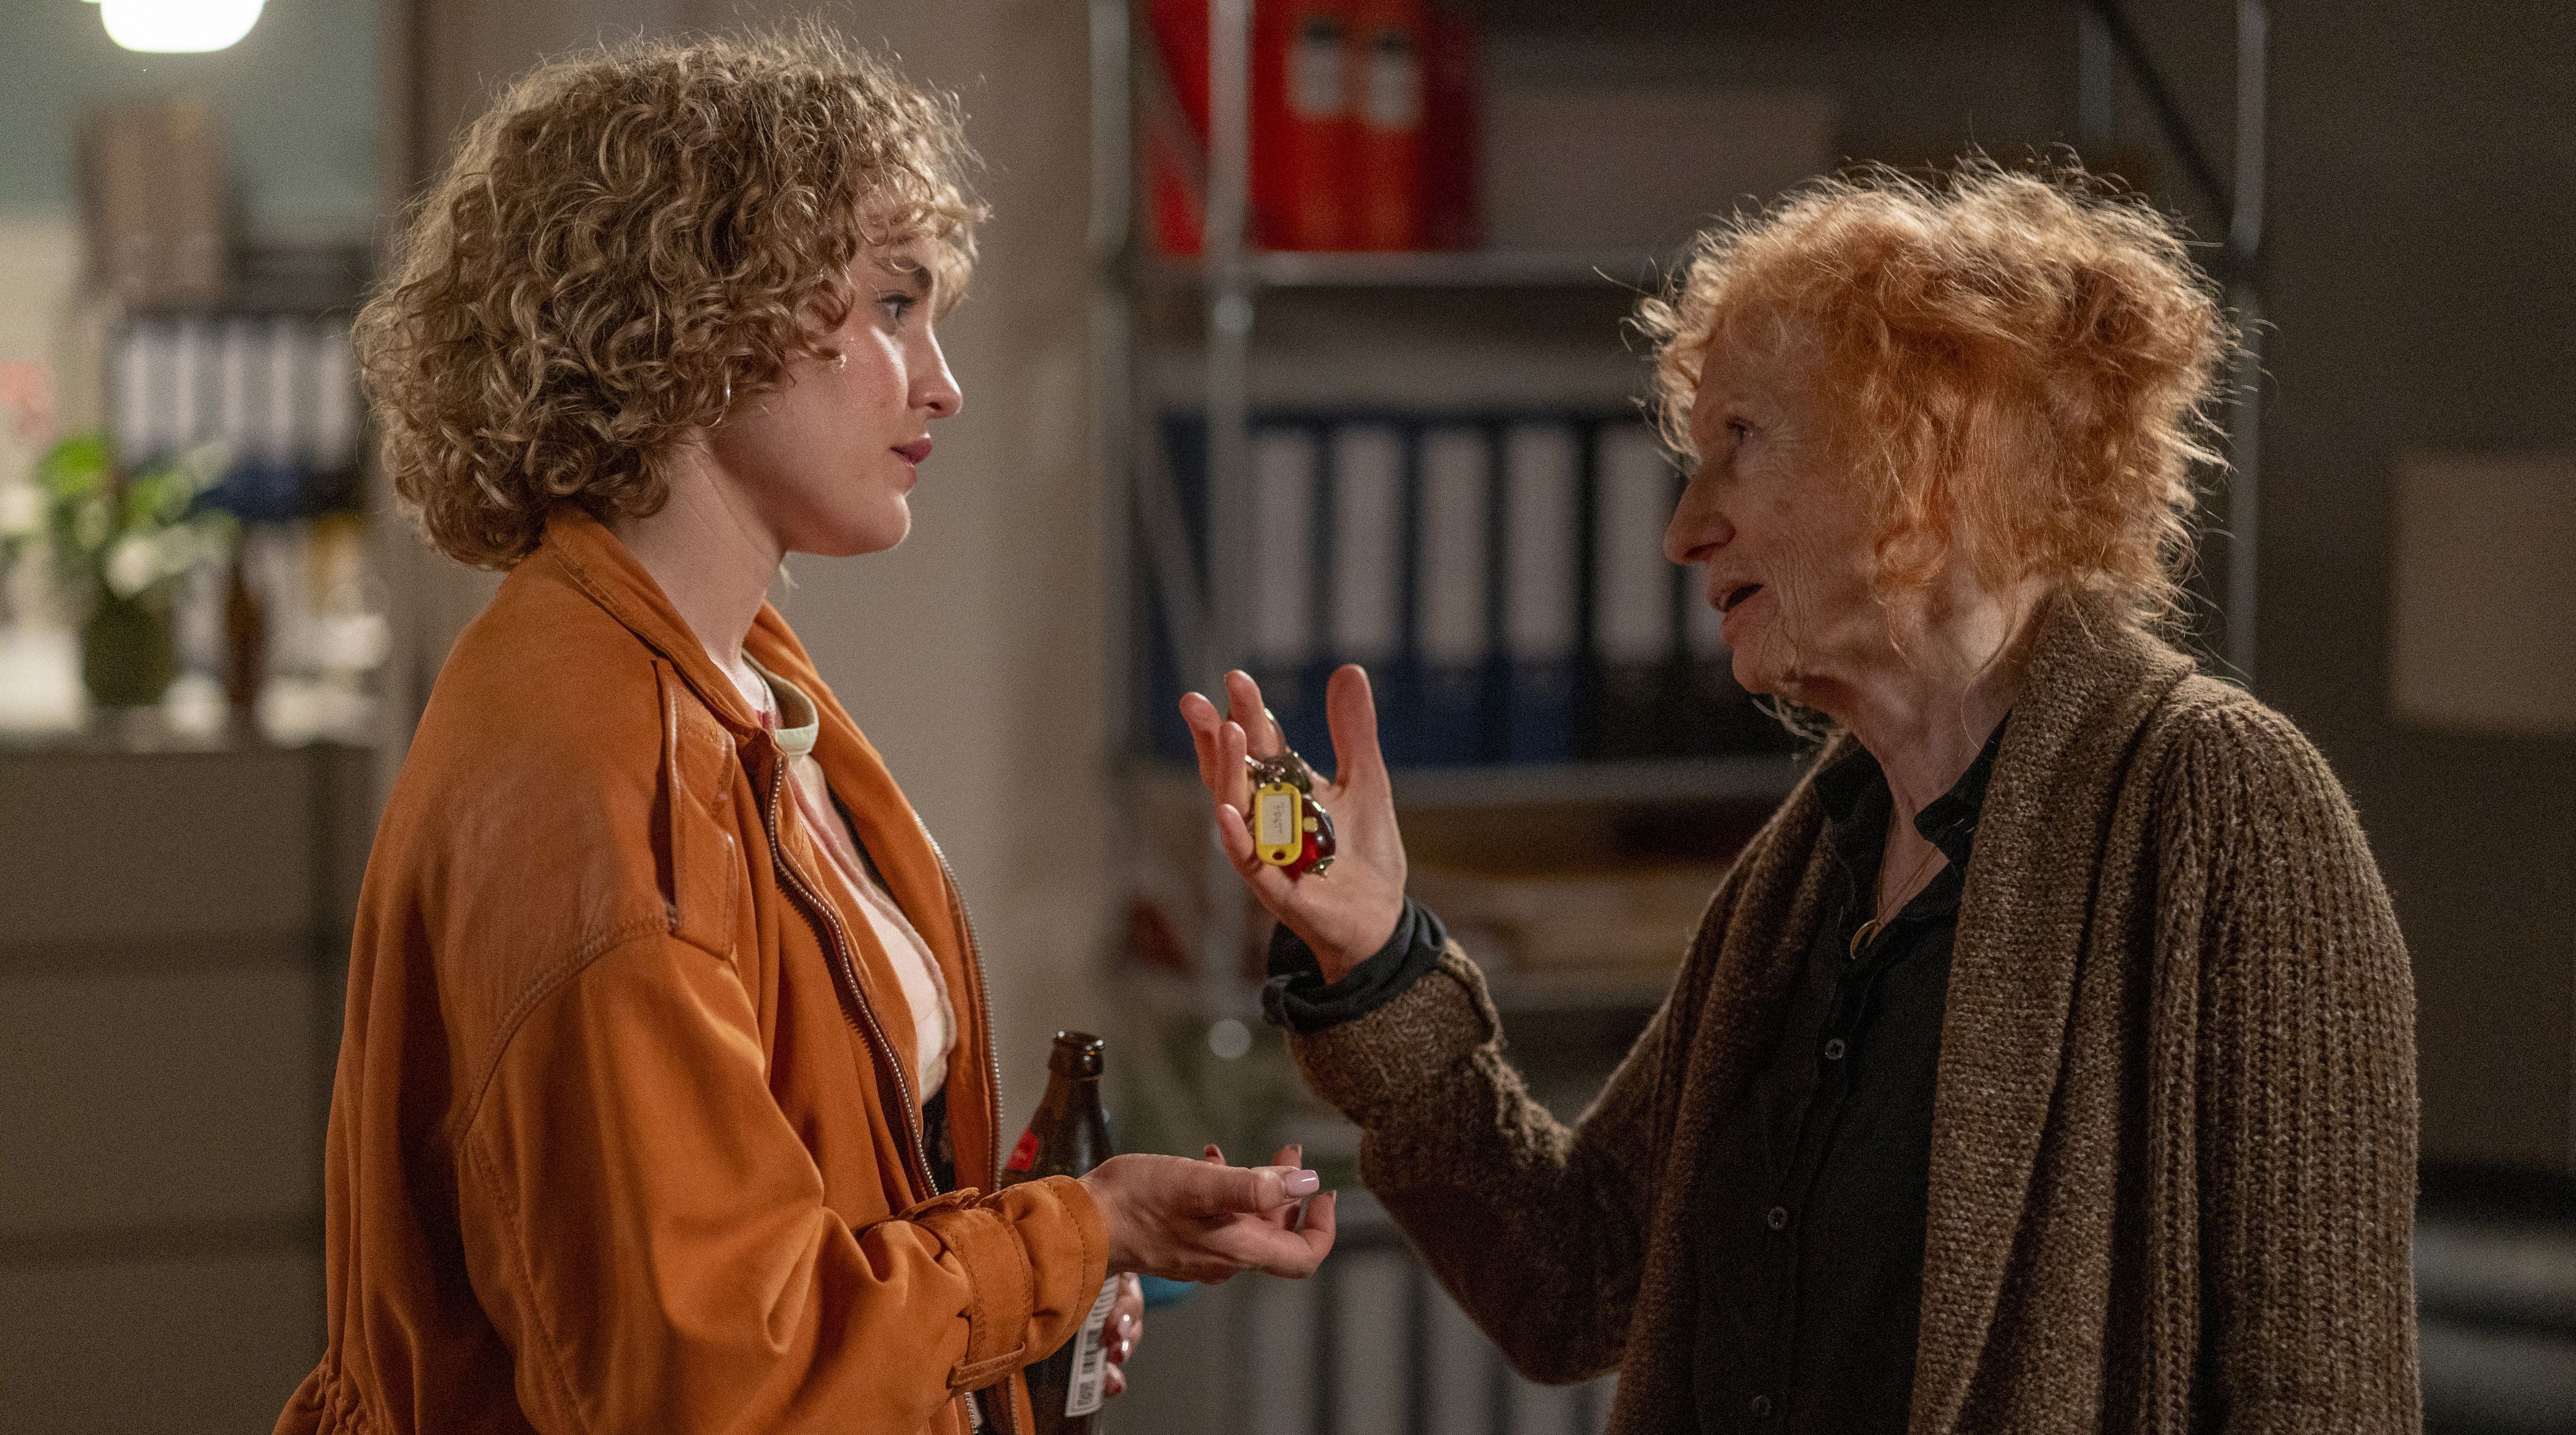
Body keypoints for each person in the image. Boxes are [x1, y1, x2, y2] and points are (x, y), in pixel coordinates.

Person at [1182, 163, 2418, 1434]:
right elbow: (1578, 1278)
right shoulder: (1810, 866)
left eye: (1741, 441)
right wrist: (1376, 957)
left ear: (1928, 444)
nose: (1682, 529)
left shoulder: (2222, 806)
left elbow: (2321, 1403)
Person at [278, 31, 1333, 1435]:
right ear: (698, 313)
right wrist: (1080, 1233)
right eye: (893, 305)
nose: (942, 382)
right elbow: (725, 1376)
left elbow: (821, 1208)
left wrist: (1041, 1285)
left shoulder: (742, 678)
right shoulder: (595, 770)